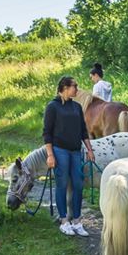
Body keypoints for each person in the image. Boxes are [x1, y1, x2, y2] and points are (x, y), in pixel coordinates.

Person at [43, 76, 95, 237]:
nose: (77, 89)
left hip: (75, 151)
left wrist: (89, 149)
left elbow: (83, 130)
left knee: (78, 184)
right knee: (62, 184)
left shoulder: (77, 107)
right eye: (74, 86)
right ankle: (64, 221)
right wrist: (50, 155)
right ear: (65, 88)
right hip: (60, 151)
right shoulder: (52, 107)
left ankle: (77, 221)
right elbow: (47, 133)